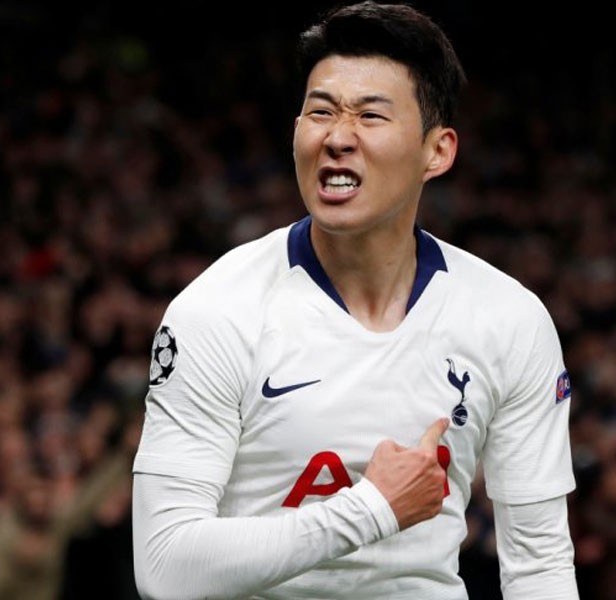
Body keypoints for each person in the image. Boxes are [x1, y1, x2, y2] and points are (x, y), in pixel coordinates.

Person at [131, 2, 579, 598]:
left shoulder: (509, 319)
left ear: (437, 151)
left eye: (371, 115)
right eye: (320, 112)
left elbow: (540, 564)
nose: (337, 137)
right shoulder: (216, 310)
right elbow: (164, 565)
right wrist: (372, 509)